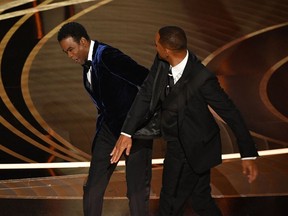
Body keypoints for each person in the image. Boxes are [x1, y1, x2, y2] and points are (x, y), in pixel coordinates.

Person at [110, 26, 259, 216]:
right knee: (201, 200)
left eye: (156, 44)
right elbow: (147, 93)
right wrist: (126, 132)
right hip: (177, 140)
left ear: (167, 50)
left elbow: (231, 112)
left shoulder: (202, 78)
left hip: (193, 146)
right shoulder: (162, 61)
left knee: (169, 205)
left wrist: (247, 154)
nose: (154, 47)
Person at [57, 22, 153, 216]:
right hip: (109, 130)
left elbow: (145, 78)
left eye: (71, 49)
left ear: (83, 41)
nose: (70, 56)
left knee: (136, 191)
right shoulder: (86, 65)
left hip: (135, 130)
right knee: (93, 186)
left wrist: (144, 118)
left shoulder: (108, 56)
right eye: (66, 52)